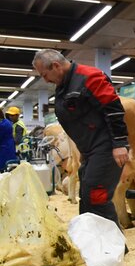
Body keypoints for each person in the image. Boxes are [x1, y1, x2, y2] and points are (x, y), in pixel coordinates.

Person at [32, 49, 129, 223]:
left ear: (56, 66)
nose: (45, 80)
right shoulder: (63, 86)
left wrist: (120, 143)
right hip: (90, 150)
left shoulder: (89, 77)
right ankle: (93, 243)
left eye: (45, 75)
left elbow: (113, 109)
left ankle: (113, 247)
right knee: (86, 196)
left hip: (106, 147)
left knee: (96, 195)